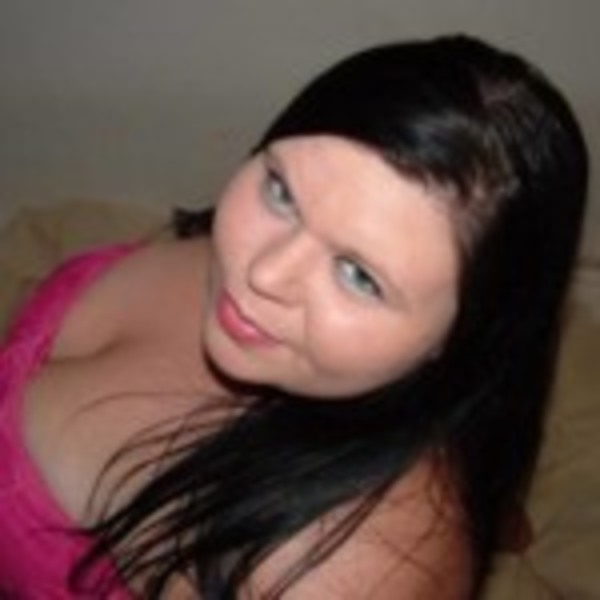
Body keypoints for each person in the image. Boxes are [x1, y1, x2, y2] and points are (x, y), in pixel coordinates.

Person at [0, 34, 588, 599]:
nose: (264, 274)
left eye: (359, 276)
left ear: (461, 338)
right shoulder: (252, 284)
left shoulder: (342, 574)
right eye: (282, 191)